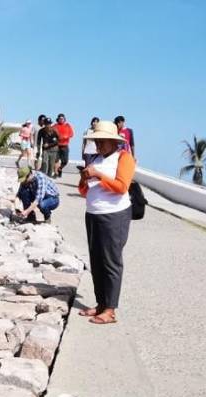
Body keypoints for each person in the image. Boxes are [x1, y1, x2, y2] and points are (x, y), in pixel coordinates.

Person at [78, 120, 135, 324]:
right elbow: (84, 191)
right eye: (96, 141)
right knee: (96, 261)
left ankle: (110, 309)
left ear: (113, 142)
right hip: (93, 214)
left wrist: (98, 175)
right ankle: (101, 303)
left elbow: (121, 186)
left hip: (114, 215)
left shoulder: (124, 158)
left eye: (102, 141)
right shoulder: (95, 159)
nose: (99, 145)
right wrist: (85, 179)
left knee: (111, 261)